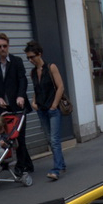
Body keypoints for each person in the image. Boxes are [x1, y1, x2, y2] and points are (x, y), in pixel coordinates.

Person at [0, 33, 34, 176]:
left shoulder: (16, 61)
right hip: (4, 108)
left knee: (19, 137)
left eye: (4, 46)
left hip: (18, 106)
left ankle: (21, 166)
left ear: (8, 45)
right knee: (7, 137)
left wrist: (21, 95)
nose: (2, 49)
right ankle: (28, 164)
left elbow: (22, 80)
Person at [24, 40, 68, 181]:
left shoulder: (51, 67)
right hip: (41, 109)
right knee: (50, 139)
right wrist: (33, 102)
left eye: (32, 57)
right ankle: (61, 164)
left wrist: (54, 105)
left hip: (53, 110)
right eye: (28, 58)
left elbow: (60, 87)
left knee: (54, 140)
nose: (30, 60)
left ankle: (56, 169)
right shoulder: (32, 72)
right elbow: (37, 89)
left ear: (39, 54)